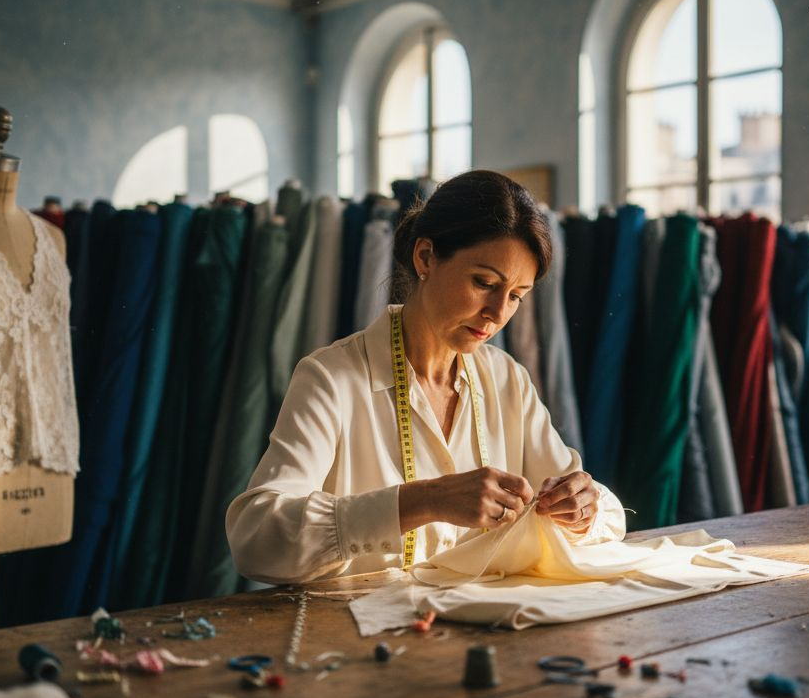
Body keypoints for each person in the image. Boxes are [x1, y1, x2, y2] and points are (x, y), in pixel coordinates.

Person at [226, 170, 626, 584]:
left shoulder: (507, 379)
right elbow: (255, 540)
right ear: (425, 258)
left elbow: (603, 514)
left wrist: (582, 508)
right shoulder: (331, 379)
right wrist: (422, 501)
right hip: (357, 638)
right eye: (484, 283)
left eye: (515, 297)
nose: (497, 313)